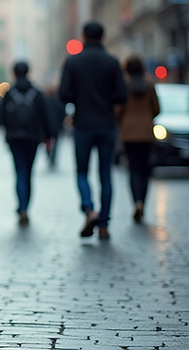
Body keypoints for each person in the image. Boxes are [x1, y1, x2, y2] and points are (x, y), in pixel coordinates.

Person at [59, 20, 127, 240]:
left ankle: (89, 210)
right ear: (103, 37)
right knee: (105, 174)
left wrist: (79, 98)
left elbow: (63, 94)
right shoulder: (112, 62)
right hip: (107, 124)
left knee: (81, 172)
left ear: (84, 37)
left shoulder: (73, 62)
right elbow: (122, 95)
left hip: (83, 125)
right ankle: (105, 224)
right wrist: (106, 100)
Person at [0, 62, 55, 227]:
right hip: (32, 138)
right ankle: (26, 207)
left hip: (15, 138)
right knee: (29, 173)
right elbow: (45, 116)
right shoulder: (37, 93)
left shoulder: (9, 94)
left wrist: (7, 134)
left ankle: (22, 207)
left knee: (19, 172)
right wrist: (48, 137)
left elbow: (2, 118)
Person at [116, 55, 160, 224]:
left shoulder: (124, 86)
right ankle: (143, 203)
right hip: (146, 132)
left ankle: (137, 202)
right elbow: (156, 108)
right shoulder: (149, 85)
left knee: (133, 169)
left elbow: (118, 110)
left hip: (128, 133)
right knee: (144, 169)